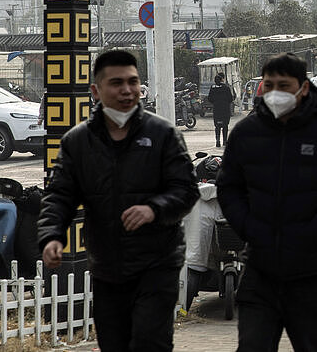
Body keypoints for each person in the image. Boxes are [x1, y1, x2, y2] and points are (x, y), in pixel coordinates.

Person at [38, 50, 199, 352]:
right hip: (107, 267)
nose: (127, 90)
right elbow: (59, 196)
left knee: (150, 342)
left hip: (157, 263)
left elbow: (186, 189)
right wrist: (51, 236)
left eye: (133, 82)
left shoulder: (163, 134)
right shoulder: (78, 141)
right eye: (117, 83)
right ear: (96, 91)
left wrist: (154, 209)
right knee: (114, 344)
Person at [216, 52, 317, 351]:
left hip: (314, 271)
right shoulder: (247, 132)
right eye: (269, 84)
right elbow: (229, 188)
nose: (276, 93)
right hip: (260, 268)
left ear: (303, 88)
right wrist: (249, 227)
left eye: (284, 85)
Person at [207, 73, 236, 148]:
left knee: (217, 126)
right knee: (225, 125)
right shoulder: (226, 87)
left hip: (216, 109)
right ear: (222, 79)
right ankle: (225, 141)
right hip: (225, 109)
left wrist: (215, 102)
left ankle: (217, 141)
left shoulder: (212, 87)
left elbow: (209, 98)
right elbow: (230, 98)